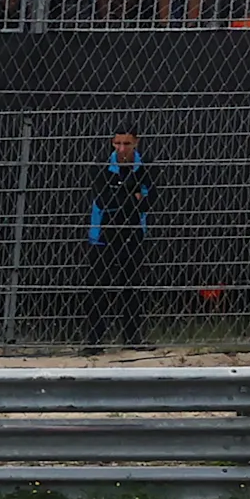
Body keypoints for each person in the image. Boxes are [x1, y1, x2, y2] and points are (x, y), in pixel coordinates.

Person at [83, 131, 153, 353]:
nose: (122, 149)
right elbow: (104, 201)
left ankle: (133, 338)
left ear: (136, 143)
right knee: (99, 287)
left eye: (127, 144)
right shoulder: (101, 164)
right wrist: (133, 194)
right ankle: (94, 341)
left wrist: (122, 194)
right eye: (118, 144)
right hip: (103, 232)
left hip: (134, 232)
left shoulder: (146, 166)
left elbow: (150, 202)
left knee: (132, 287)